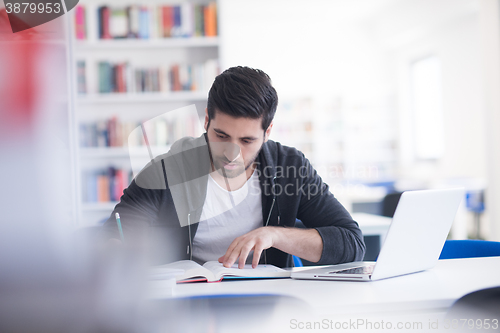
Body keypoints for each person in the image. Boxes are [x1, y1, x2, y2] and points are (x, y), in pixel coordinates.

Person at [103, 66, 365, 268]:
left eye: (247, 140)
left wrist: (275, 235)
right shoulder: (165, 171)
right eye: (222, 136)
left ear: (267, 132)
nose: (231, 153)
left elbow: (351, 243)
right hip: (188, 304)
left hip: (268, 303)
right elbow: (116, 233)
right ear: (207, 120)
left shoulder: (291, 167)